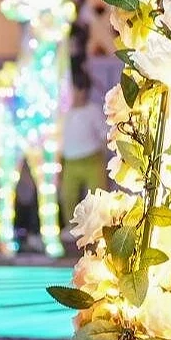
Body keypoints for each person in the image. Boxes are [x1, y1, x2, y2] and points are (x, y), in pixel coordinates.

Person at [59, 70, 108, 233]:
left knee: (97, 197)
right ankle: (71, 229)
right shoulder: (63, 113)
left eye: (75, 89)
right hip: (70, 163)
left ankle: (99, 229)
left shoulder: (93, 111)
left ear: (84, 91)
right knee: (68, 197)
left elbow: (104, 134)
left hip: (92, 160)